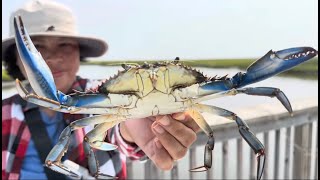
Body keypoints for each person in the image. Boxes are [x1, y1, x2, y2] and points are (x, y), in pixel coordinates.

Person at [2, 0, 200, 179]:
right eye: (36, 48)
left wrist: (138, 128)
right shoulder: (4, 113)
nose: (53, 57)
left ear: (80, 51)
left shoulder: (102, 94)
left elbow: (121, 130)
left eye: (64, 44)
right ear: (17, 58)